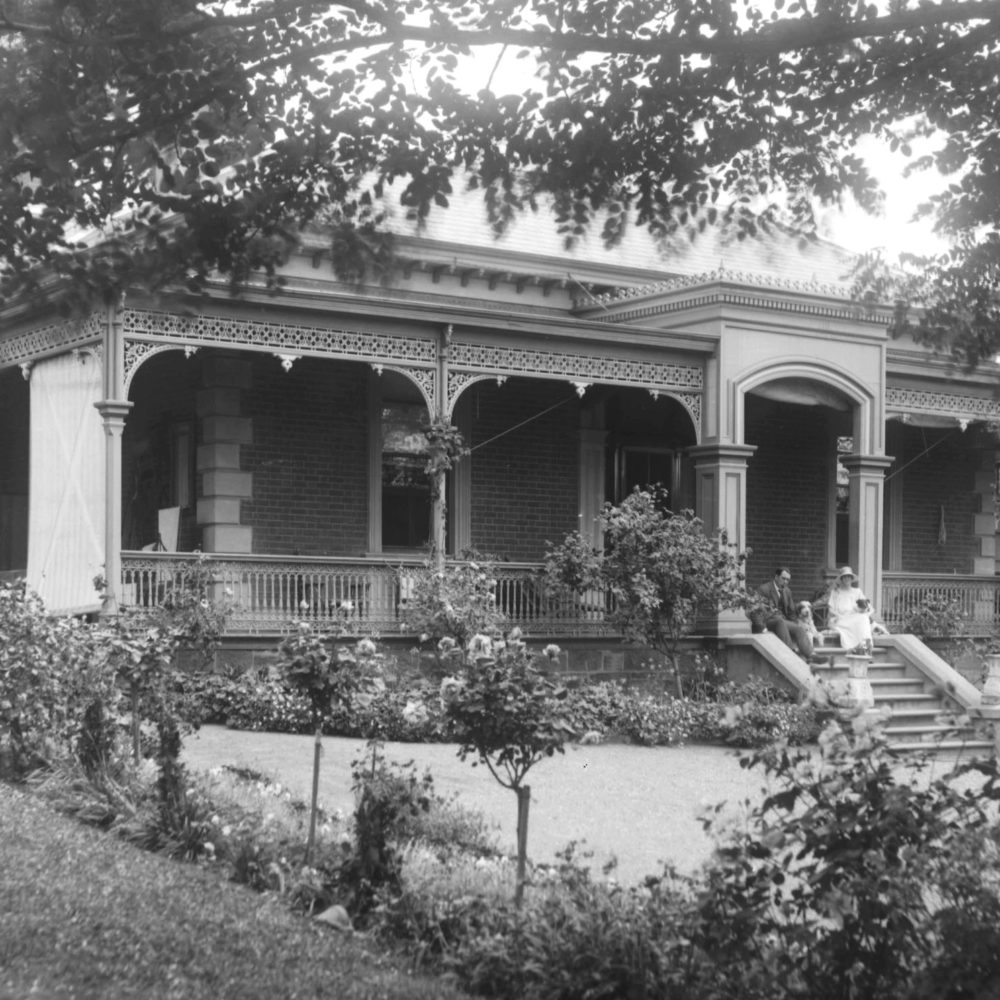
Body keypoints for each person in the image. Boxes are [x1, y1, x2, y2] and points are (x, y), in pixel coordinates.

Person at [750, 567, 819, 661]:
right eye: (783, 578)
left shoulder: (787, 591)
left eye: (788, 580)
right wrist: (761, 628)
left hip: (781, 620)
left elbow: (791, 612)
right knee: (780, 621)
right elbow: (754, 610)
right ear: (776, 577)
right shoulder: (764, 589)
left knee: (798, 628)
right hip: (767, 621)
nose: (785, 581)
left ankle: (811, 655)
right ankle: (791, 653)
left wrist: (794, 624)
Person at [827, 566, 887, 652]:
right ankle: (856, 648)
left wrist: (864, 613)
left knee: (863, 619)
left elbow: (869, 608)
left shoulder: (857, 592)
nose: (847, 579)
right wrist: (838, 615)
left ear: (851, 579)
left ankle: (865, 649)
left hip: (854, 618)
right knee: (861, 621)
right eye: (845, 577)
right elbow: (831, 609)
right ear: (841, 579)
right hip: (840, 619)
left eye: (849, 577)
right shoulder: (836, 592)